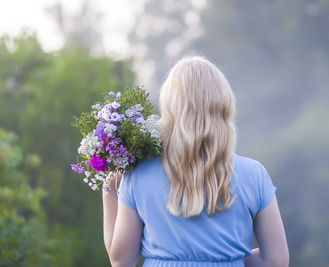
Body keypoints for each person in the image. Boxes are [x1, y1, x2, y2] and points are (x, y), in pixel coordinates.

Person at [102, 56, 289, 267]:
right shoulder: (254, 174)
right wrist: (230, 256)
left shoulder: (138, 174)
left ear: (170, 109)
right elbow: (276, 262)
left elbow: (121, 260)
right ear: (224, 108)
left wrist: (110, 187)